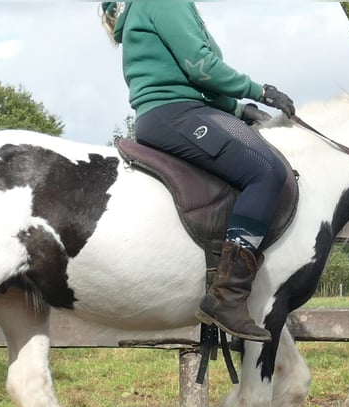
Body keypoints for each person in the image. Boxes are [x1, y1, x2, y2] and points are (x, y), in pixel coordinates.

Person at [101, 2, 295, 342]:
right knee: (265, 173)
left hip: (186, 110)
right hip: (174, 114)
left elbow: (190, 80)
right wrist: (259, 91)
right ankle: (227, 298)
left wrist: (241, 109)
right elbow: (201, 67)